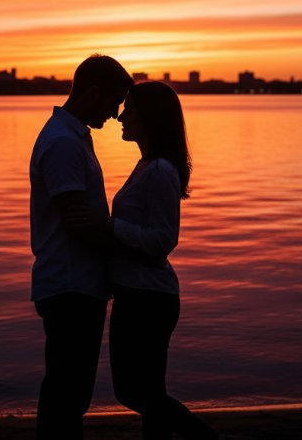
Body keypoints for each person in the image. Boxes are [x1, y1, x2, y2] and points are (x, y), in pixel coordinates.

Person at [67, 81, 218, 440]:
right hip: (136, 294)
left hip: (149, 298)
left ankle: (209, 438)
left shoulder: (161, 171)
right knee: (147, 391)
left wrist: (108, 225)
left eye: (129, 109)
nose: (121, 116)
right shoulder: (147, 166)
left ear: (149, 118)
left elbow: (165, 239)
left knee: (135, 391)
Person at [28, 54, 133, 440]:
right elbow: (75, 222)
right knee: (66, 391)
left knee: (69, 390)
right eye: (113, 102)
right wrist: (130, 249)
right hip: (70, 284)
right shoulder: (63, 144)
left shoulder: (71, 138)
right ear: (92, 93)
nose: (115, 113)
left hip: (77, 282)